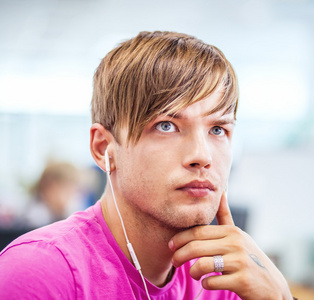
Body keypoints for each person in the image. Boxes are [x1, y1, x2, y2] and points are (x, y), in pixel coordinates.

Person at [0, 31, 295, 299]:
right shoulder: (39, 274)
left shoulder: (221, 279)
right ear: (104, 148)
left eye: (218, 130)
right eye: (166, 126)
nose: (202, 156)